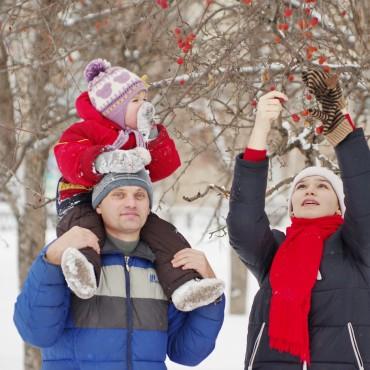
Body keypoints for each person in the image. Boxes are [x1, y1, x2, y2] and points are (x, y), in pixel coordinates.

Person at [227, 69, 370, 369]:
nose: (310, 191)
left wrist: (342, 131)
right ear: (291, 207)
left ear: (340, 207)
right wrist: (260, 129)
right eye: (301, 187)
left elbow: (365, 197)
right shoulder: (275, 251)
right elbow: (243, 224)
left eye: (322, 186)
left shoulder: (355, 248)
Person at [54, 58, 224, 310]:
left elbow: (164, 166)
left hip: (125, 204)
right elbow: (67, 156)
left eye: (145, 100)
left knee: (164, 234)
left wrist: (153, 135)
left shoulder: (139, 137)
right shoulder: (87, 130)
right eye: (136, 101)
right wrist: (102, 160)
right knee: (87, 232)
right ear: (114, 108)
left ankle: (184, 285)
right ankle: (83, 271)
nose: (144, 106)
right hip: (80, 200)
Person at [14, 169, 225, 370]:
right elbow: (36, 332)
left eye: (140, 195)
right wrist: (51, 258)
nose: (131, 203)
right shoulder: (72, 259)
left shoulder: (165, 268)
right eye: (119, 194)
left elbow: (187, 352)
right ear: (98, 205)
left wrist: (210, 292)